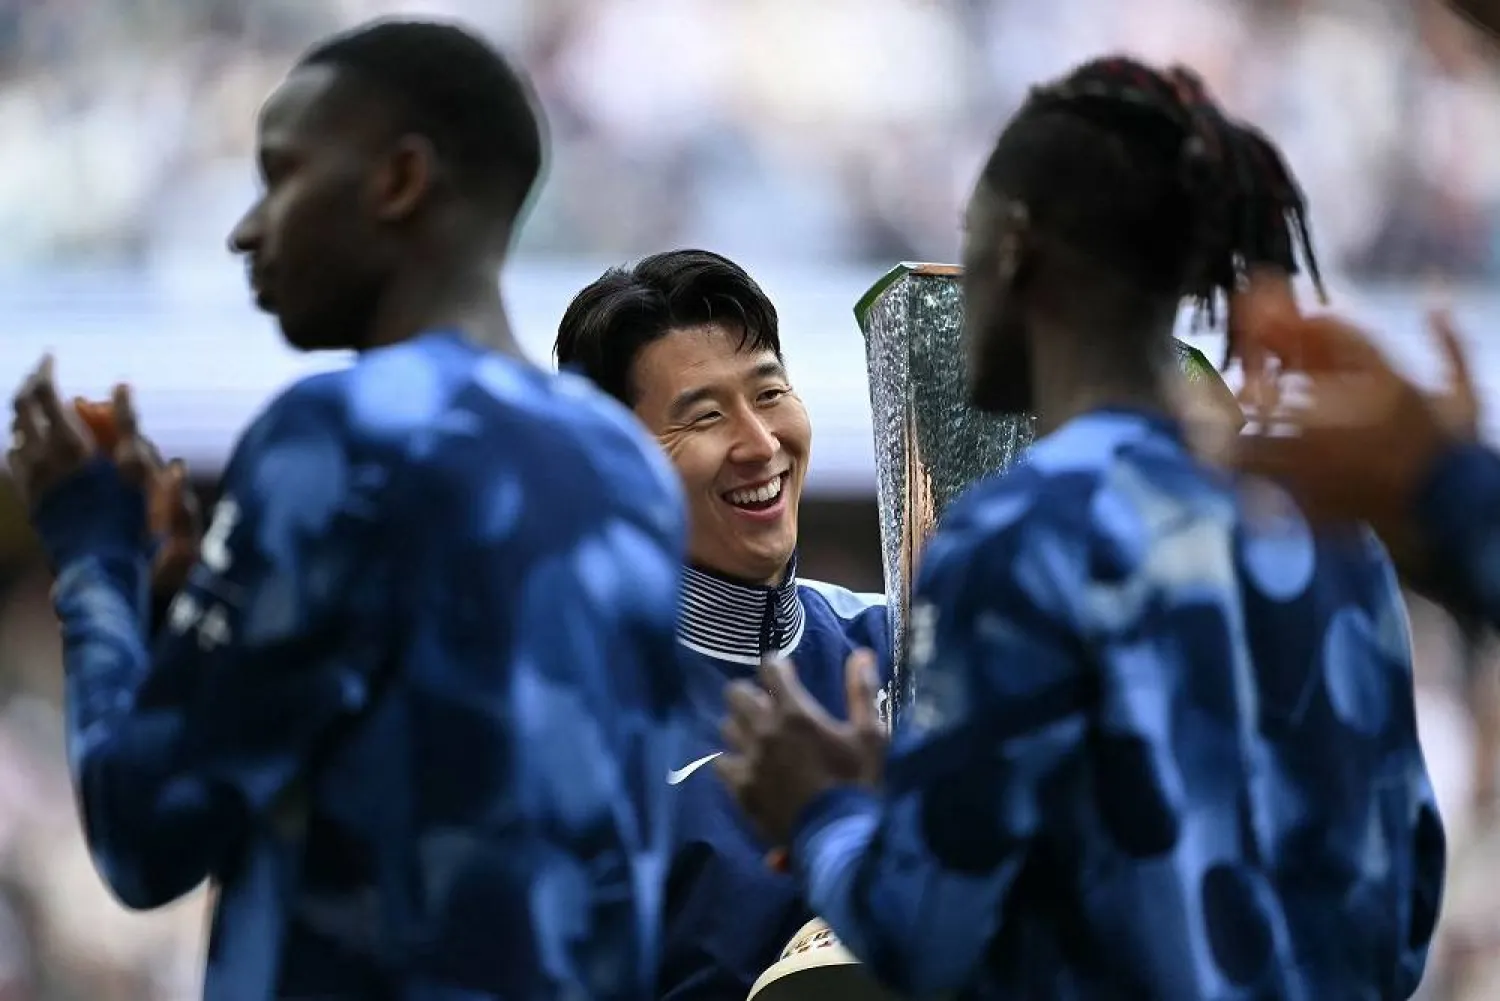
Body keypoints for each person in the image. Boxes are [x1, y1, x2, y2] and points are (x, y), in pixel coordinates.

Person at [714, 56, 1446, 998]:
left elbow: (929, 933)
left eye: (968, 242)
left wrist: (825, 814)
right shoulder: (1329, 528)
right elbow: (1406, 901)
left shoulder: (1020, 535)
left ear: (1014, 247)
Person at [6, 19, 689, 1001]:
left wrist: (90, 546)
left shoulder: (339, 430)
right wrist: (194, 606)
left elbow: (141, 832)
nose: (248, 227)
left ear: (399, 181)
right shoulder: (623, 460)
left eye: (280, 175)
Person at [553, 248, 890, 1001]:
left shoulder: (900, 646)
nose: (760, 444)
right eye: (705, 416)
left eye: (770, 393)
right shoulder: (570, 716)